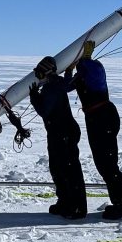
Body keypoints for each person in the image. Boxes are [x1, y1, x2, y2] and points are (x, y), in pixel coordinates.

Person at [64, 40, 122, 220]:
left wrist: (85, 60)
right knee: (104, 163)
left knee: (107, 163)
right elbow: (66, 86)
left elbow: (92, 72)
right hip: (97, 118)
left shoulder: (95, 69)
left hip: (102, 118)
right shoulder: (83, 75)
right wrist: (69, 70)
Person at [29, 55, 87, 219]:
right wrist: (69, 71)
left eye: (39, 73)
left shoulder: (51, 88)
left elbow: (44, 111)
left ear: (46, 73)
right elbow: (69, 84)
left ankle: (76, 207)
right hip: (60, 132)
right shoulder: (57, 83)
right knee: (58, 168)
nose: (38, 77)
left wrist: (35, 98)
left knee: (68, 170)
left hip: (63, 133)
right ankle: (65, 201)